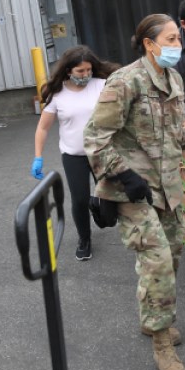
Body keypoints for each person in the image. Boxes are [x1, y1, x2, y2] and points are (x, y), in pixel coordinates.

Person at [83, 14, 185, 370]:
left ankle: (152, 320)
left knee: (172, 257)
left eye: (179, 38)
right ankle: (162, 342)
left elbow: (174, 132)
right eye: (172, 38)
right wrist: (123, 173)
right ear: (149, 43)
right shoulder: (125, 82)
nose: (179, 44)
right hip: (132, 191)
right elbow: (95, 138)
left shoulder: (173, 78)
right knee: (157, 261)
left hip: (169, 189)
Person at [30, 45, 118, 261]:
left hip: (101, 151)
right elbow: (43, 128)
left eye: (88, 70)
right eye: (80, 71)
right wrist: (38, 156)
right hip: (73, 155)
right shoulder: (58, 94)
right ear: (69, 70)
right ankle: (84, 239)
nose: (85, 75)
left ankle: (96, 204)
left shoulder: (102, 85)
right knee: (78, 200)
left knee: (109, 209)